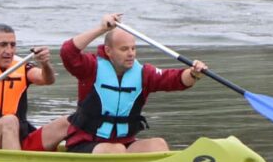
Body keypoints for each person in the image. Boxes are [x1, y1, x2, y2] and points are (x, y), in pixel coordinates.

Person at [60, 13, 207, 154]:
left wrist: (194, 73)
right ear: (108, 51)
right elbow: (68, 52)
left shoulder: (144, 74)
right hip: (86, 143)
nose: (131, 53)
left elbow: (176, 79)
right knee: (115, 150)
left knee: (158, 145)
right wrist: (102, 29)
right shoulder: (90, 68)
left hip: (124, 143)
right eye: (124, 49)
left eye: (133, 48)